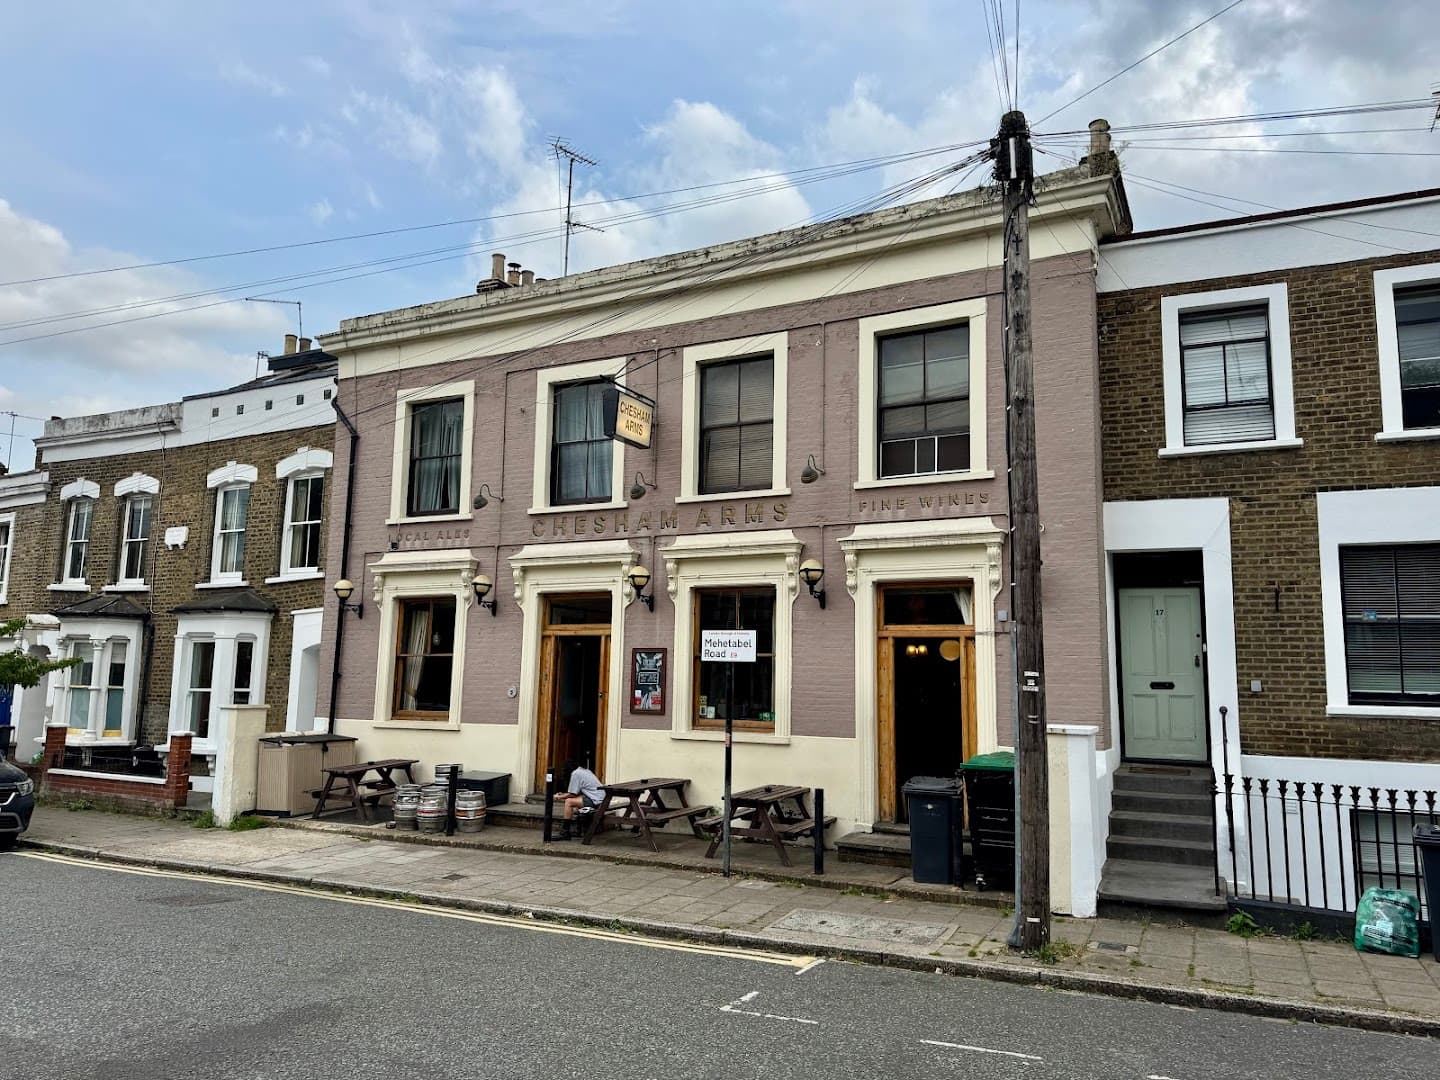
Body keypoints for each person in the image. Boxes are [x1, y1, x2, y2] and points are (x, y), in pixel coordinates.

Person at [553, 762, 604, 839]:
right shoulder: (585, 771)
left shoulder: (575, 773)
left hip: (596, 801)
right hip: (601, 799)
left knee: (569, 802)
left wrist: (559, 797)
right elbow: (577, 792)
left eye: (564, 771)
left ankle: (565, 832)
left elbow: (573, 794)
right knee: (575, 807)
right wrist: (563, 794)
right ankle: (579, 830)